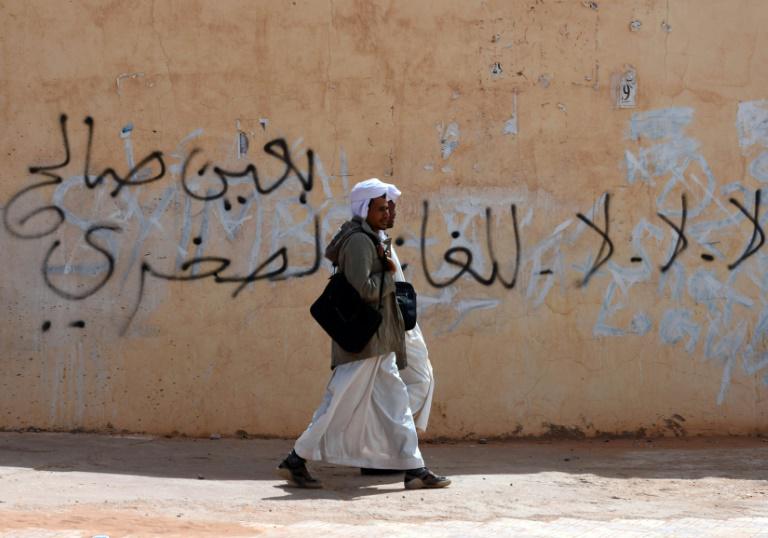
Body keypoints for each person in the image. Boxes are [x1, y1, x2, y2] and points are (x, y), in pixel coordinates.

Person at [277, 178, 450, 490]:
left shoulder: (374, 238)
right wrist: (386, 273)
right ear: (365, 209)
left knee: (396, 405)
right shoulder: (359, 241)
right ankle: (296, 458)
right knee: (336, 403)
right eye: (381, 208)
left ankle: (414, 468)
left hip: (380, 340)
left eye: (389, 207)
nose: (388, 213)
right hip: (364, 341)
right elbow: (364, 291)